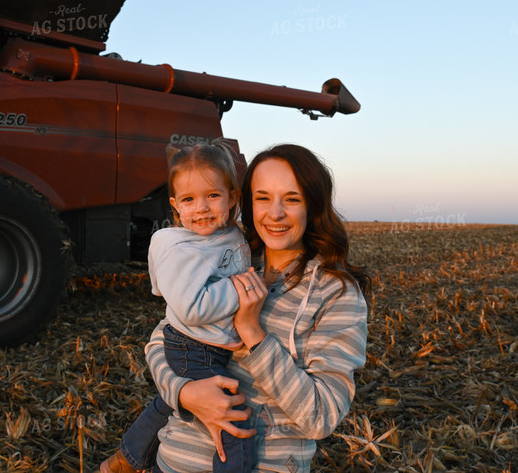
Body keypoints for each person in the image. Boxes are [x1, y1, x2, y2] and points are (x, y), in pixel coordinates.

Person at [140, 143, 370, 472]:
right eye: (263, 198)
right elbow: (163, 339)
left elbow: (322, 416)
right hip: (173, 461)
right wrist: (185, 392)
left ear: (313, 205)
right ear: (246, 202)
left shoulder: (335, 292)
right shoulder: (227, 258)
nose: (274, 213)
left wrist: (254, 335)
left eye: (292, 199)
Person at [101, 139, 255, 473]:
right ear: (176, 206)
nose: (201, 208)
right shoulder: (180, 248)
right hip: (194, 345)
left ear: (232, 197)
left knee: (171, 401)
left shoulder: (227, 233)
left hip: (211, 343)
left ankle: (128, 457)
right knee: (233, 426)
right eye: (189, 199)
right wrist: (242, 289)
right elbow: (191, 309)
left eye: (212, 195)